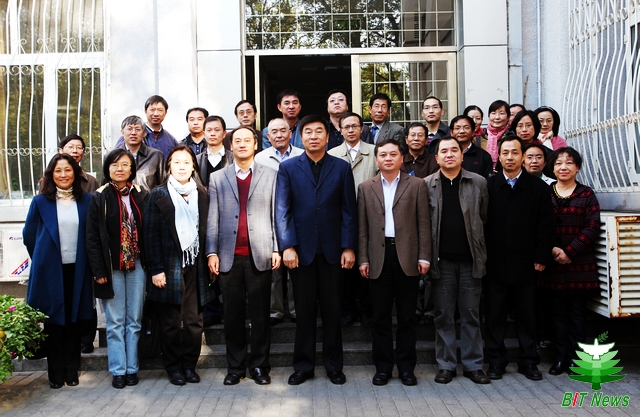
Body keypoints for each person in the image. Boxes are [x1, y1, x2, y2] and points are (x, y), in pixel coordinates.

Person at [275, 114, 358, 386]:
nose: (313, 136)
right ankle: (303, 366)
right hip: (301, 252)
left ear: (327, 136)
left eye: (318, 131)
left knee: (333, 311)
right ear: (301, 137)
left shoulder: (341, 167)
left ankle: (334, 366)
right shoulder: (288, 168)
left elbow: (349, 210)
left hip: (333, 251)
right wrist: (287, 246)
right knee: (305, 312)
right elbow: (283, 210)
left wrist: (348, 247)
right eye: (308, 132)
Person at [207, 126, 280, 386]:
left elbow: (276, 213)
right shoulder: (218, 178)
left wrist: (276, 248)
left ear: (256, 144)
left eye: (247, 140)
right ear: (230, 146)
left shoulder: (271, 175)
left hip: (260, 253)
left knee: (260, 316)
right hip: (229, 256)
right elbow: (212, 218)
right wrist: (212, 251)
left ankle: (259, 366)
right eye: (237, 140)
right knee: (233, 316)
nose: (242, 144)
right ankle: (235, 367)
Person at [357, 138, 431, 386]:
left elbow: (424, 224)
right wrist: (363, 258)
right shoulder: (366, 188)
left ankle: (407, 368)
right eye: (383, 155)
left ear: (402, 158)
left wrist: (424, 256)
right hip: (378, 257)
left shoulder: (417, 185)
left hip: (407, 257)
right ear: (376, 159)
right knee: (380, 318)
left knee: (407, 317)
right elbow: (362, 228)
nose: (387, 158)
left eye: (392, 154)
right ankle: (383, 367)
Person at [144, 145, 215, 386]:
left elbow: (210, 231)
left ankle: (189, 366)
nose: (182, 166)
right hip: (168, 267)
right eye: (177, 162)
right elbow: (150, 236)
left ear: (193, 166)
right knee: (170, 323)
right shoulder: (158, 194)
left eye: (186, 162)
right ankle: (173, 368)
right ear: (169, 167)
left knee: (194, 322)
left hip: (197, 266)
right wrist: (156, 269)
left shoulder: (203, 194)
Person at [484, 135, 554, 381]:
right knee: (494, 316)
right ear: (498, 156)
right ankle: (496, 361)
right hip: (494, 263)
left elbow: (546, 225)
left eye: (515, 152)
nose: (510, 157)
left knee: (527, 316)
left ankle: (528, 361)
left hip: (527, 263)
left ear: (523, 157)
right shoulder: (488, 186)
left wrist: (541, 255)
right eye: (505, 153)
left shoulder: (539, 188)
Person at [23, 154, 94, 389]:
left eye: (68, 170)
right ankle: (55, 374)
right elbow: (29, 237)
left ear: (75, 173)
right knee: (53, 322)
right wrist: (44, 260)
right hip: (50, 271)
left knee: (74, 321)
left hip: (78, 269)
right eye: (58, 171)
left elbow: (92, 235)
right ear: (51, 175)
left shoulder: (87, 200)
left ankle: (72, 371)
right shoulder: (40, 202)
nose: (63, 175)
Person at [425, 137, 490, 385]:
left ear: (462, 156)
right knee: (443, 315)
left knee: (471, 314)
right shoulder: (426, 185)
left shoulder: (478, 182)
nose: (449, 154)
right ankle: (446, 365)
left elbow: (484, 217)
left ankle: (474, 365)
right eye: (444, 151)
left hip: (471, 260)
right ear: (437, 158)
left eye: (455, 150)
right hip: (441, 261)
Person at [86, 149, 148, 389]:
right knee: (115, 321)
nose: (119, 169)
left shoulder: (141, 195)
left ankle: (132, 368)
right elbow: (92, 238)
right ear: (107, 169)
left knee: (134, 320)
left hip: (137, 265)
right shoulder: (99, 197)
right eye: (114, 165)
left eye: (124, 164)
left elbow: (148, 231)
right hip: (111, 267)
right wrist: (98, 271)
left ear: (132, 169)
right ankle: (118, 370)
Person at [539, 148, 600, 376]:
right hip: (553, 264)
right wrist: (552, 249)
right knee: (557, 314)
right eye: (558, 163)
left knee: (577, 315)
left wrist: (570, 251)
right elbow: (537, 224)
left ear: (577, 168)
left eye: (569, 163)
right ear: (552, 168)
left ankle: (576, 361)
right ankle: (559, 359)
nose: (563, 167)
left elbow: (592, 226)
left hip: (579, 265)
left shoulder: (587, 194)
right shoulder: (545, 193)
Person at [328, 112, 379, 326]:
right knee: (345, 267)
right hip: (341, 219)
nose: (350, 130)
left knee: (368, 265)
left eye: (354, 126)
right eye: (346, 127)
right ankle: (347, 310)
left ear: (362, 128)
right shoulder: (332, 154)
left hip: (371, 217)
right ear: (340, 130)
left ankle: (366, 309)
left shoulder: (375, 151)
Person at [256, 118, 303, 326]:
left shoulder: (301, 155)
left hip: (296, 215)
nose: (279, 135)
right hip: (268, 215)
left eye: (283, 131)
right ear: (268, 136)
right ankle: (275, 310)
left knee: (296, 265)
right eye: (274, 131)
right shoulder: (260, 158)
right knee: (274, 267)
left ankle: (295, 309)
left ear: (290, 133)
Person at [56, 134, 99, 354]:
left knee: (86, 295)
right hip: (61, 247)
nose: (75, 151)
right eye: (70, 146)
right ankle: (65, 338)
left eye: (79, 147)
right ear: (61, 150)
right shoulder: (51, 178)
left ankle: (86, 338)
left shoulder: (90, 181)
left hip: (85, 244)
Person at [195, 115, 232, 328]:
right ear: (203, 133)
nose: (212, 133)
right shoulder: (196, 159)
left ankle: (228, 307)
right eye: (209, 130)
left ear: (224, 133)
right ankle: (211, 308)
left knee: (226, 262)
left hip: (228, 217)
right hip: (203, 217)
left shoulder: (233, 158)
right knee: (206, 262)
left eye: (217, 130)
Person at [114, 95, 179, 159]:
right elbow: (116, 158)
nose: (156, 114)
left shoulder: (171, 140)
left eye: (160, 110)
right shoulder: (130, 136)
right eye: (152, 110)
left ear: (165, 113)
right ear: (145, 111)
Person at [116, 115, 165, 191]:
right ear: (122, 132)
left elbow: (163, 186)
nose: (133, 133)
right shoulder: (112, 157)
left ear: (144, 133)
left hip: (148, 198)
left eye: (138, 129)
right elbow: (105, 188)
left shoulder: (156, 156)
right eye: (129, 129)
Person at [484, 100, 512, 171]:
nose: (497, 117)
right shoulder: (481, 136)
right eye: (493, 113)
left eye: (501, 113)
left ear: (508, 117)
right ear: (489, 116)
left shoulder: (512, 137)